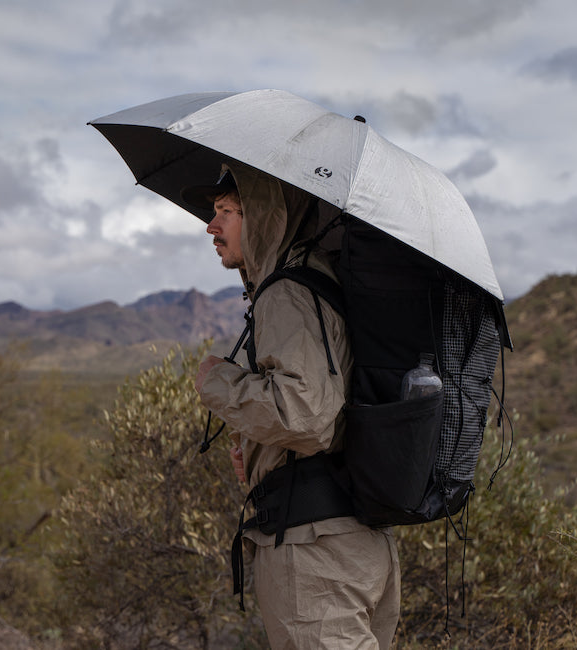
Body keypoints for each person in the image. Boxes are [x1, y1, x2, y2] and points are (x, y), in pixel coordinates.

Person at [187, 164, 401, 649]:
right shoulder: (324, 282)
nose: (211, 226)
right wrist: (257, 446)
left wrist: (216, 381)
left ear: (265, 216)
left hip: (313, 550)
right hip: (356, 541)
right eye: (213, 212)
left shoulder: (287, 290)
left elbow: (304, 415)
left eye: (227, 212)